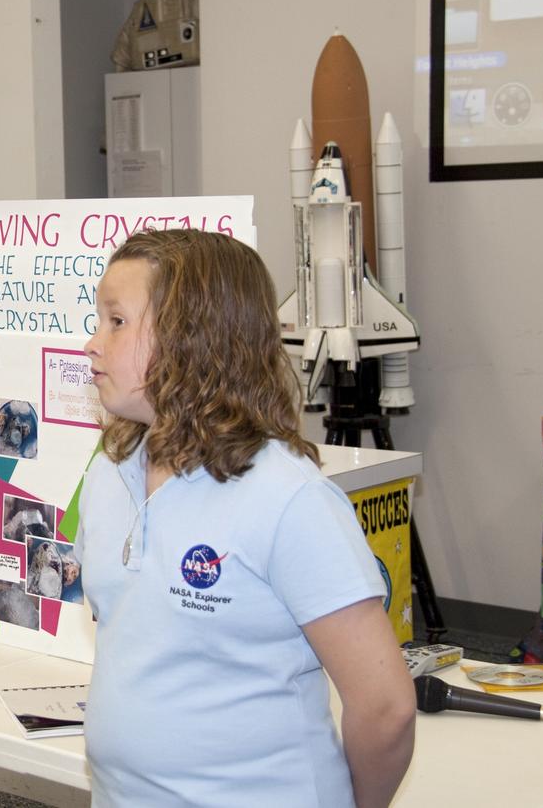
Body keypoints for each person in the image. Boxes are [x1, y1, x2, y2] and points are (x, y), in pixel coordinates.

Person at [76, 230, 414, 807]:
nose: (92, 343)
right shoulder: (110, 474)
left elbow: (385, 707)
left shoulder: (288, 500)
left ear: (192, 340)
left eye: (116, 322)